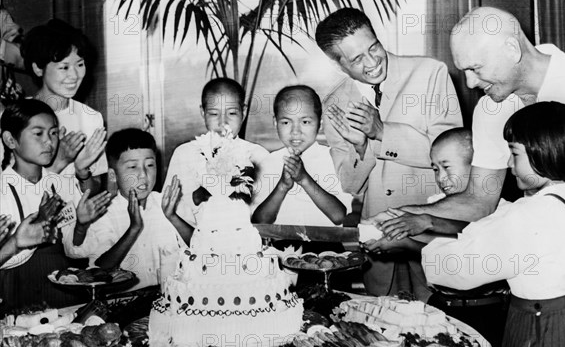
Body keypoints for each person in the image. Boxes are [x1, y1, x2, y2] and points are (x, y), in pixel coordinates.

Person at [373, 6, 565, 311]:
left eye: (476, 68)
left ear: (511, 49)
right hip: (544, 281)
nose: (468, 83)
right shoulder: (491, 109)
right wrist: (402, 214)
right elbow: (480, 200)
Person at [421, 102, 565, 347]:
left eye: (514, 153)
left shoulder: (529, 214)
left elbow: (453, 270)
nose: (507, 163)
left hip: (541, 333)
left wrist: (430, 239)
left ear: (542, 152)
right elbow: (493, 232)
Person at [316, 8, 463, 299]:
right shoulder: (334, 102)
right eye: (357, 59)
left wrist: (382, 131)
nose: (372, 62)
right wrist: (362, 146)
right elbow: (350, 183)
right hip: (379, 238)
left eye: (374, 47)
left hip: (433, 229)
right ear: (337, 65)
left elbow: (454, 160)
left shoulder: (430, 72)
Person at [367, 127, 508, 347]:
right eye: (435, 169)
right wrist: (396, 237)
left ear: (477, 168)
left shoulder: (498, 208)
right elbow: (432, 247)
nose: (441, 177)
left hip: (484, 313)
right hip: (443, 308)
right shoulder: (435, 204)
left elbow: (470, 238)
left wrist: (423, 224)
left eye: (447, 166)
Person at [0, 99, 111, 312]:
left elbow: (73, 250)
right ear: (10, 140)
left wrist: (81, 225)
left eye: (53, 133)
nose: (49, 142)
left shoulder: (59, 183)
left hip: (63, 293)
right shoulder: (2, 190)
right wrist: (19, 242)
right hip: (15, 297)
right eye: (38, 134)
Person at [66, 128, 191, 291]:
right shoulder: (104, 213)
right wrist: (133, 229)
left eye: (150, 165)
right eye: (133, 167)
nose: (143, 174)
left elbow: (201, 245)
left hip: (172, 298)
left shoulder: (168, 201)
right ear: (113, 175)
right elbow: (101, 270)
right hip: (123, 303)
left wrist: (173, 217)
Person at [165, 77, 269, 227]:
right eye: (214, 114)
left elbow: (264, 216)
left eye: (232, 113)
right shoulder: (184, 154)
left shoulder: (258, 156)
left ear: (244, 112)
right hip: (194, 244)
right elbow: (171, 213)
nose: (223, 122)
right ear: (203, 112)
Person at [20, 19, 108, 194]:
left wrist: (82, 172)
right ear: (38, 68)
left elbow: (96, 189)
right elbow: (12, 193)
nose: (74, 75)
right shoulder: (16, 117)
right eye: (64, 67)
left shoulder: (91, 118)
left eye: (80, 65)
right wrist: (60, 161)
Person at [252, 85, 352, 226]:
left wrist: (304, 179)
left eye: (305, 122)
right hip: (278, 245)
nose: (295, 131)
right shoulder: (267, 163)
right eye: (286, 122)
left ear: (320, 124)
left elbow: (340, 216)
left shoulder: (333, 159)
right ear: (275, 123)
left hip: (326, 245)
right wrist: (282, 186)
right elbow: (259, 222)